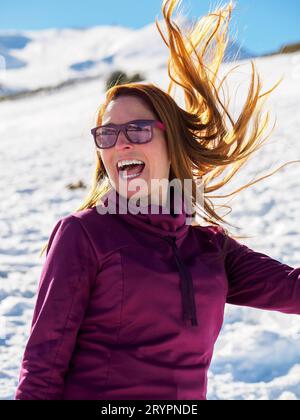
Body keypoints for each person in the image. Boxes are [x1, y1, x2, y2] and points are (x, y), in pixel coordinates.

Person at [15, 0, 299, 400]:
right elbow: (42, 364)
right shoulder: (84, 234)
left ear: (171, 141)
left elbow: (293, 289)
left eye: (138, 129)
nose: (122, 142)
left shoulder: (210, 248)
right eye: (107, 134)